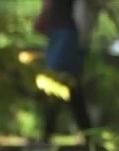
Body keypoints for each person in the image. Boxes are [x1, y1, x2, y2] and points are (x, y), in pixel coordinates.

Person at [34, 0, 93, 142]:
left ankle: (48, 133)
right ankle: (86, 132)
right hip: (58, 32)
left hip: (66, 33)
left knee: (62, 82)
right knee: (68, 84)